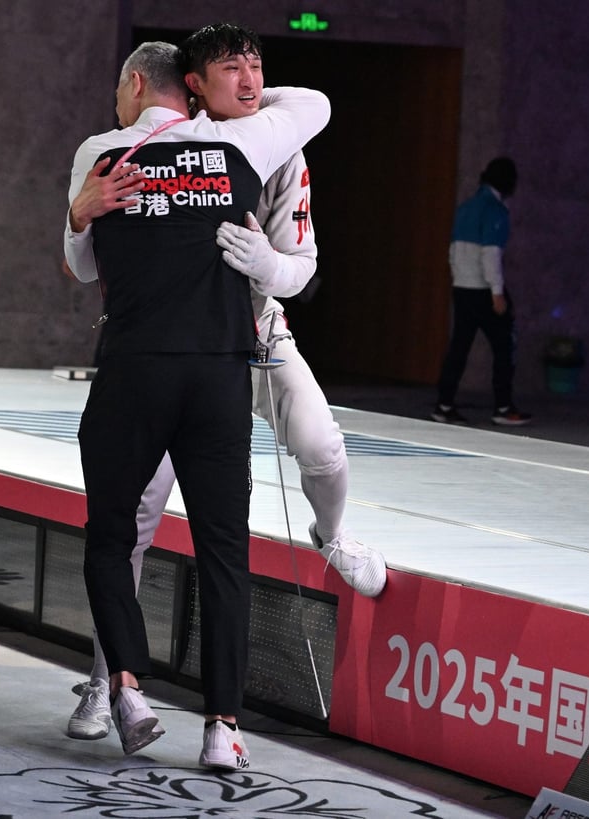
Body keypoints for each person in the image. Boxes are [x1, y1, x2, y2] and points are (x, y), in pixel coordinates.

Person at [64, 23, 387, 756]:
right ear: (194, 88)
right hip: (186, 349)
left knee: (320, 444)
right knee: (135, 517)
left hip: (257, 332)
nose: (249, 80)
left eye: (256, 69)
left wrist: (266, 265)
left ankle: (332, 534)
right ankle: (107, 679)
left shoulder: (276, 144)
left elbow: (301, 267)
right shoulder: (185, 141)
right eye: (229, 71)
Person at [432, 157, 532, 426]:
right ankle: (502, 407)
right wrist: (497, 292)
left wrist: (458, 278)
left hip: (461, 288)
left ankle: (443, 404)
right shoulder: (495, 210)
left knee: (459, 347)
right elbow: (491, 254)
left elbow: (453, 251)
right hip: (483, 291)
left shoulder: (465, 208)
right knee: (503, 346)